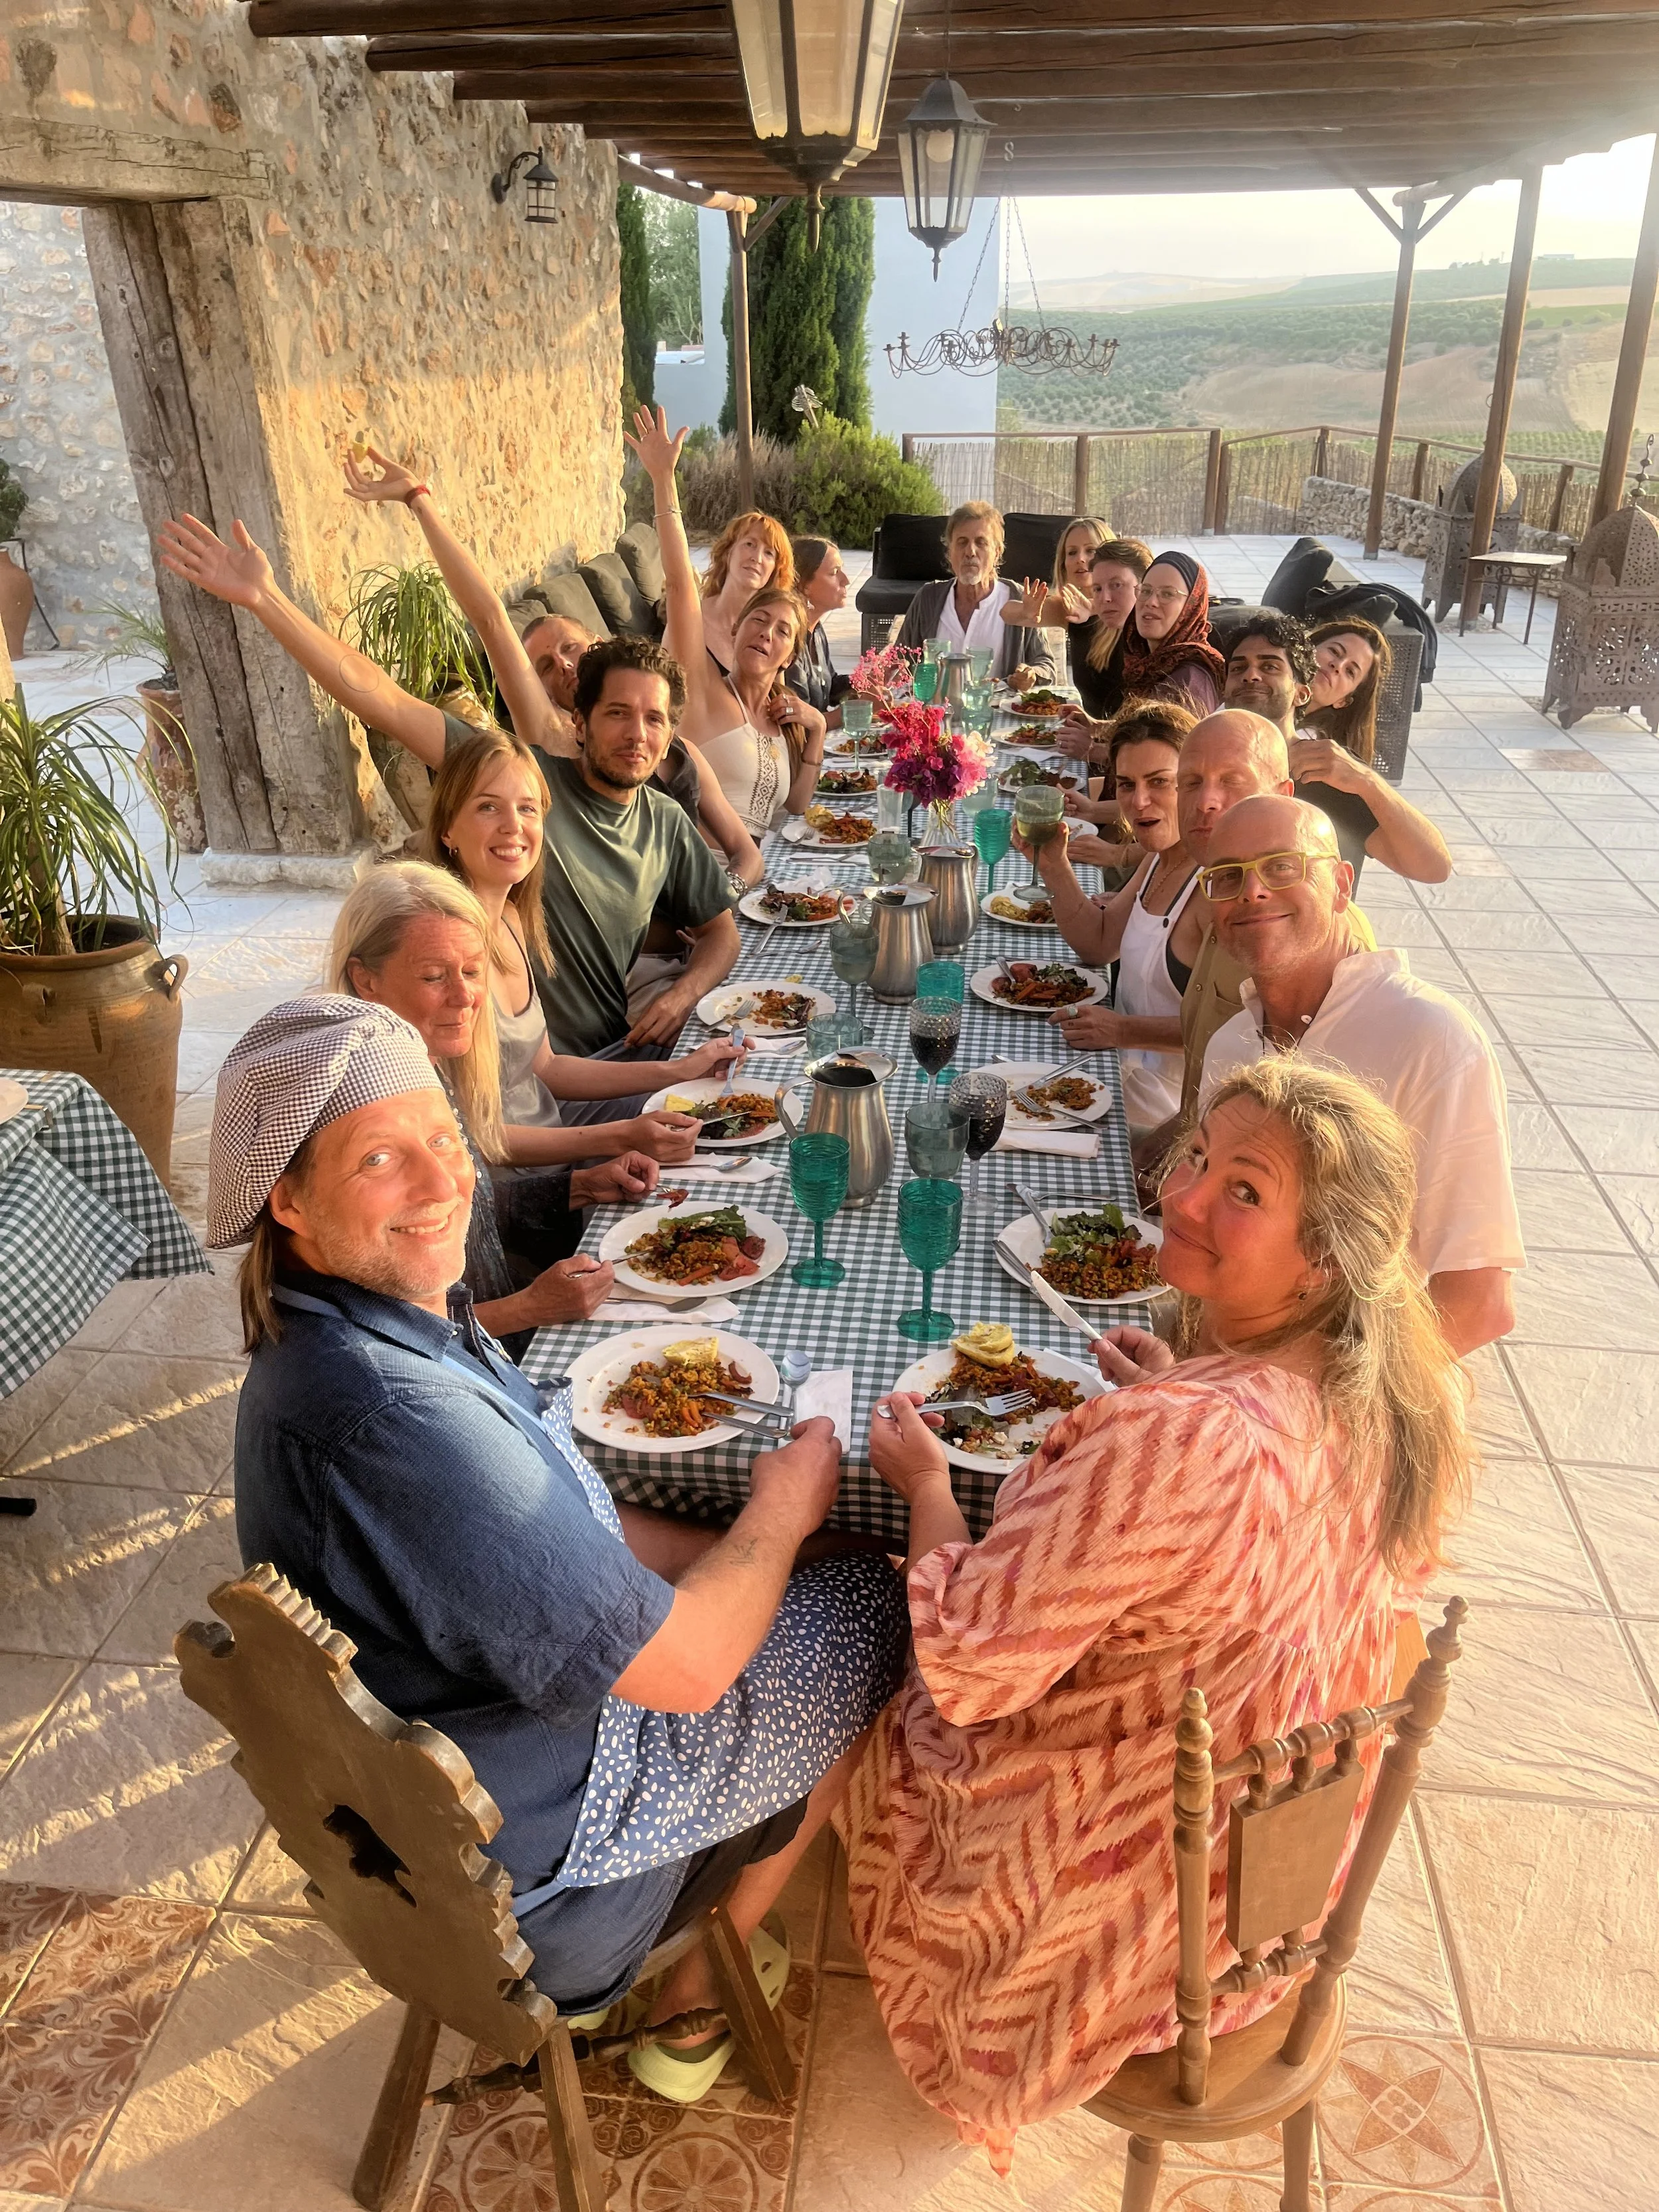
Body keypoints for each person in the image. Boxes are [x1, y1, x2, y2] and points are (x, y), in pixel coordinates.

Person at [214, 995, 907, 2097]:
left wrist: (775, 1540)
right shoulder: (396, 1420)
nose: (443, 1181)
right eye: (380, 1158)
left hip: (458, 1815)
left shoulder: (346, 1332)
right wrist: (783, 1515)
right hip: (550, 1891)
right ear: (286, 1199)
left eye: (442, 1136)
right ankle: (695, 1988)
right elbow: (690, 1670)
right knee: (880, 1598)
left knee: (812, 1557)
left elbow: (579, 1520)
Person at [846, 1055, 1470, 2166]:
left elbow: (970, 1655)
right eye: (1199, 1159)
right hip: (1263, 1902)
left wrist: (929, 1486)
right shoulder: (1379, 1400)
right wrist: (1174, 1388)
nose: (1182, 1196)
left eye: (1245, 1190)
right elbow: (1238, 1535)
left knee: (849, 1595)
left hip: (1119, 1940)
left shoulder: (1187, 1441)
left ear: (1324, 1260)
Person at [155, 509, 743, 1064]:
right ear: (580, 722)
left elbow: (722, 931)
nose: (637, 734)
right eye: (617, 713)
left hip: (611, 1056)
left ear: (669, 735)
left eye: (654, 719)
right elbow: (383, 699)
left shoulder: (664, 822)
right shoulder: (522, 782)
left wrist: (684, 993)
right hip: (527, 1074)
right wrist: (266, 599)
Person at [338, 446, 763, 890]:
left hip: (710, 908)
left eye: (570, 648)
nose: (563, 664)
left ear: (599, 645)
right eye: (543, 666)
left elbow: (747, 855)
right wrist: (418, 499)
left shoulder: (674, 747)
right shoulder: (551, 744)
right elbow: (490, 619)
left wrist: (725, 896)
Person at [1196, 794, 1522, 1354]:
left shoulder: (1430, 1037)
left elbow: (1479, 1302)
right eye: (1228, 877)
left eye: (1282, 866)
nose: (1252, 890)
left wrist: (1315, 1395)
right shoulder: (1231, 1043)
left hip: (1352, 1384)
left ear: (1342, 885)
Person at [326, 867, 662, 1351]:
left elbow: (467, 1212)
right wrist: (527, 1308)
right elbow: (374, 1334)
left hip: (493, 1335)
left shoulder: (425, 1067)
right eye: (433, 976)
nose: (465, 997)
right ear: (365, 979)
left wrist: (583, 1185)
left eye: (471, 971)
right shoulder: (364, 1112)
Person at [419, 729, 745, 1161]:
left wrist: (679, 1070)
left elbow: (547, 1068)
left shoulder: (513, 917)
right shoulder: (443, 945)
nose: (513, 826)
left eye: (527, 808)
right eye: (488, 807)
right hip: (516, 1178)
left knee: (725, 1108)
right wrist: (621, 1138)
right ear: (447, 830)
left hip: (557, 1130)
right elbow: (466, 1138)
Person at [626, 407, 826, 833]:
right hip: (712, 868)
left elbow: (796, 804)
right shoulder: (704, 690)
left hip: (763, 863)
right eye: (759, 621)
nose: (766, 634)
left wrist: (819, 729)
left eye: (782, 631)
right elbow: (680, 584)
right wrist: (663, 480)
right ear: (735, 630)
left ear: (790, 657)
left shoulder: (777, 718)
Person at [1015, 700, 1200, 1130]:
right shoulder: (1160, 856)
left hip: (1160, 1115)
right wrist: (1054, 865)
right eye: (1127, 784)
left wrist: (1123, 1030)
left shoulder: (1213, 886)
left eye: (1160, 782)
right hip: (1111, 1073)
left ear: (1195, 782)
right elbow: (1098, 945)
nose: (1140, 801)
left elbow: (1237, 1033)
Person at [1219, 612, 1449, 888]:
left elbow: (1434, 867)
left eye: (1351, 671)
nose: (1251, 676)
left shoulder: (1325, 771)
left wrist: (1367, 781)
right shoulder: (1203, 749)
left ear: (1302, 690)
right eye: (1334, 652)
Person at [894, 502, 1056, 688]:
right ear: (950, 552)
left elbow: (1046, 664)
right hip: (934, 706)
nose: (970, 552)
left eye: (981, 542)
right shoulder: (928, 598)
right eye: (962, 542)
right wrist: (893, 672)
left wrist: (1031, 675)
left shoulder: (1019, 599)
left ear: (997, 553)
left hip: (998, 705)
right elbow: (899, 658)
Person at [1046, 536, 1154, 733]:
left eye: (1117, 585)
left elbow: (1159, 733)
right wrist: (1093, 727)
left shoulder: (1167, 651)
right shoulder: (1126, 636)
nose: (1105, 598)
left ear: (1144, 588)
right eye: (1097, 589)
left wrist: (1095, 744)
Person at [1108, 550, 1225, 715]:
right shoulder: (1147, 661)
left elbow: (1164, 733)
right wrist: (1097, 727)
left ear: (1192, 607)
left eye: (1168, 594)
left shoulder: (1189, 681)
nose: (1151, 602)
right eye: (1146, 591)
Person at [699, 506, 795, 673]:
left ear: (775, 570)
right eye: (750, 544)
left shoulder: (770, 634)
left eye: (769, 553)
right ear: (728, 552)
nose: (757, 558)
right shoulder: (692, 618)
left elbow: (775, 688)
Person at [1303, 614, 1392, 765]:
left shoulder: (1312, 748)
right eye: (1335, 652)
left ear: (1343, 701)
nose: (1338, 665)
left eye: (1350, 672)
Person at [786, 537, 853, 721]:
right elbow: (800, 724)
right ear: (804, 585)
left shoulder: (815, 629)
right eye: (834, 573)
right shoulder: (788, 641)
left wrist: (869, 680)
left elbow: (830, 688)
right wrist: (858, 710)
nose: (846, 580)